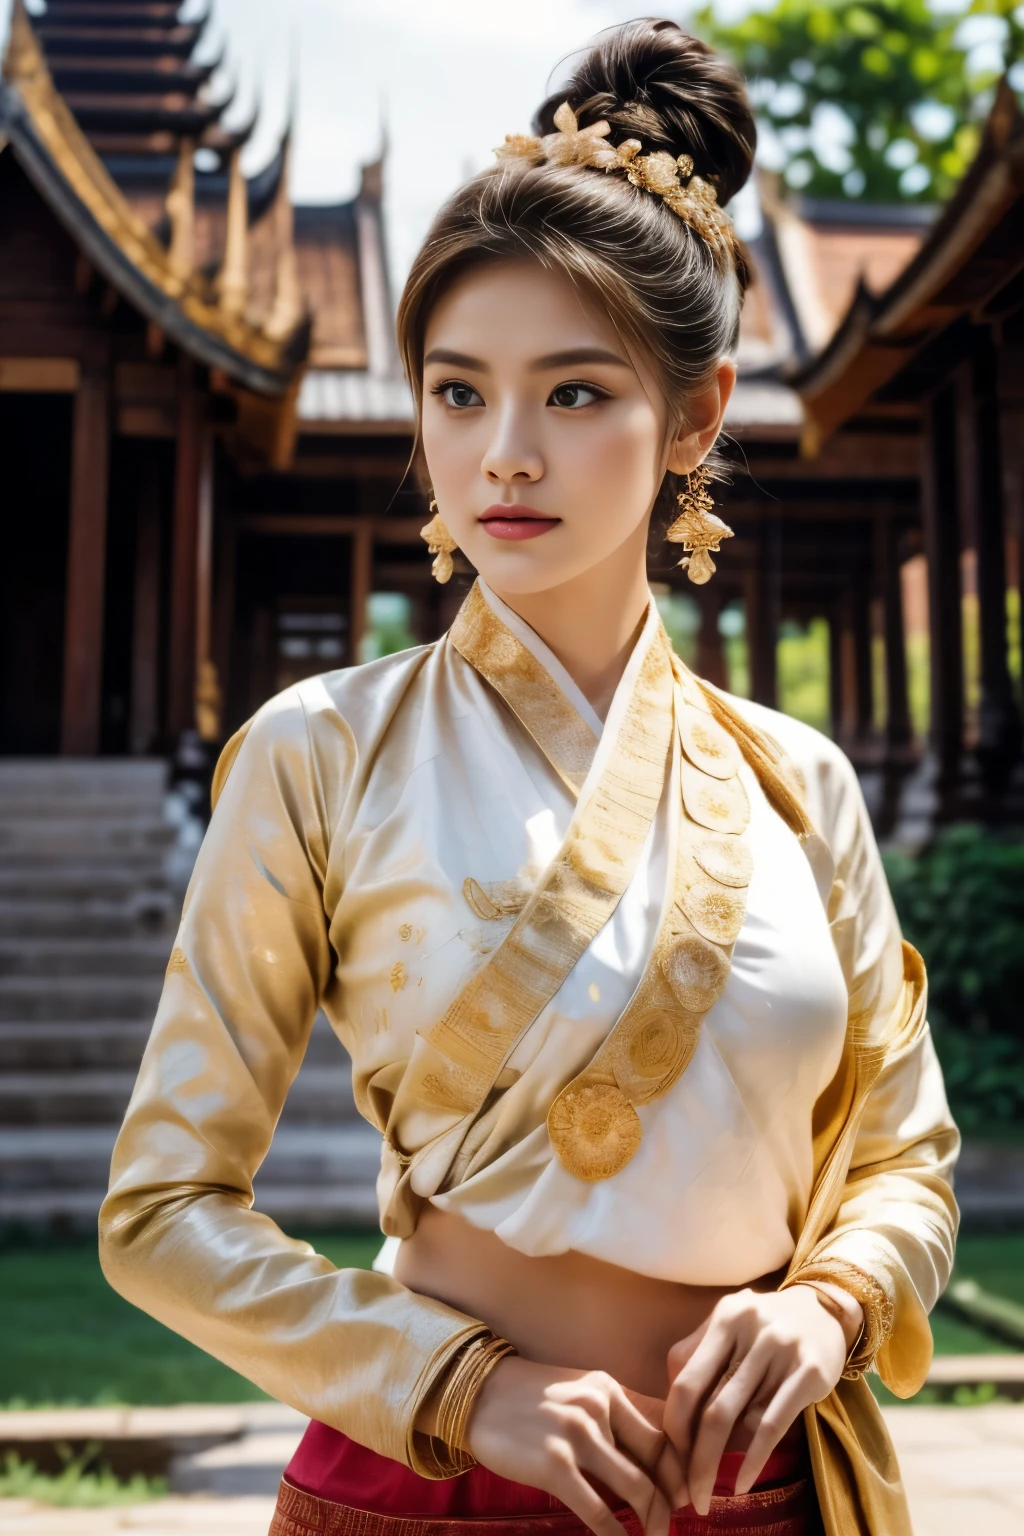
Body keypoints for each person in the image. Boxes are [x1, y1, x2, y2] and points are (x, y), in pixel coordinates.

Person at [98, 20, 959, 1536]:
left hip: (752, 1492)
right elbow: (162, 1213)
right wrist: (455, 1385)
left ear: (693, 416)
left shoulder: (799, 783)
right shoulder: (320, 752)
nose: (503, 455)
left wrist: (828, 1303)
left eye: (573, 393)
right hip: (424, 1487)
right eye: (455, 392)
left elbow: (905, 1162)